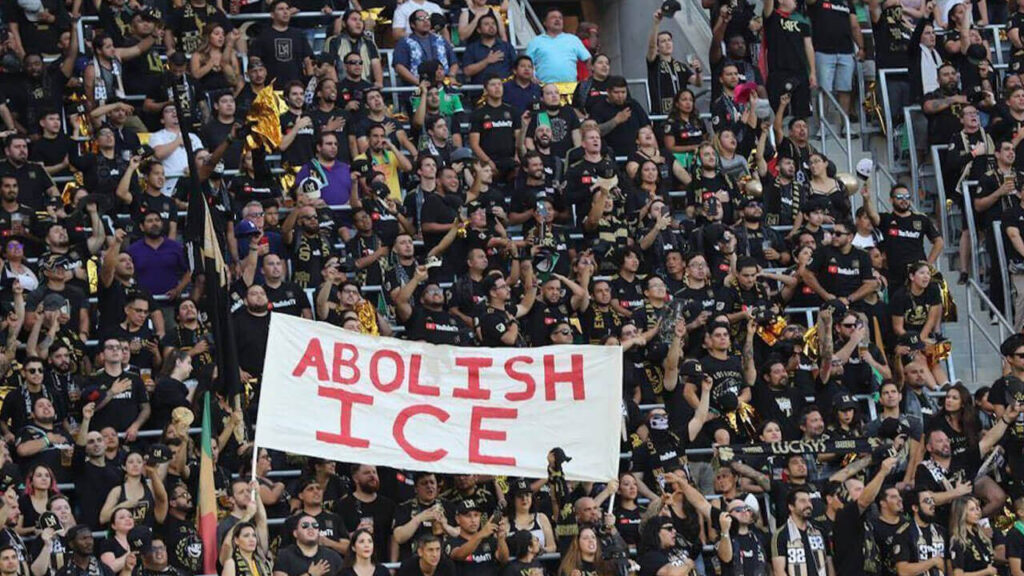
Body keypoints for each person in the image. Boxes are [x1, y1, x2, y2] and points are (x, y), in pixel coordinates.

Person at [647, 9, 701, 116]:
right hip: (663, 115)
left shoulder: (681, 66)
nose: (667, 43)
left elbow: (698, 83)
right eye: (663, 41)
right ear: (658, 47)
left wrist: (698, 71)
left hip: (682, 115)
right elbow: (651, 46)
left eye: (669, 40)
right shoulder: (654, 64)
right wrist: (656, 23)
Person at [248, 0, 312, 88]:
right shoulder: (263, 36)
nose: (285, 12)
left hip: (296, 89)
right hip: (271, 89)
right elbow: (254, 60)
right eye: (281, 9)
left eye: (287, 9)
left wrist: (310, 85)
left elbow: (308, 62)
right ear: (272, 15)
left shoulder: (299, 35)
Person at [770, 488, 829, 576]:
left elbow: (829, 561)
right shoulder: (781, 535)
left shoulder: (820, 531)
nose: (808, 505)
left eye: (809, 501)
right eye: (803, 501)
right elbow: (779, 571)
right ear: (791, 507)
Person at [526, 9, 591, 83]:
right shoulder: (535, 41)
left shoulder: (573, 39)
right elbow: (526, 63)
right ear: (545, 22)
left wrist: (588, 78)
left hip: (571, 88)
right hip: (545, 89)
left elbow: (588, 59)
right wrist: (532, 77)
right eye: (553, 17)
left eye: (560, 18)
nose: (557, 20)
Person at [273, 514, 344, 576]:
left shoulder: (333, 557)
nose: (311, 528)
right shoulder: (284, 555)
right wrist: (310, 574)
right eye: (305, 525)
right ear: (295, 533)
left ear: (318, 532)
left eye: (315, 526)